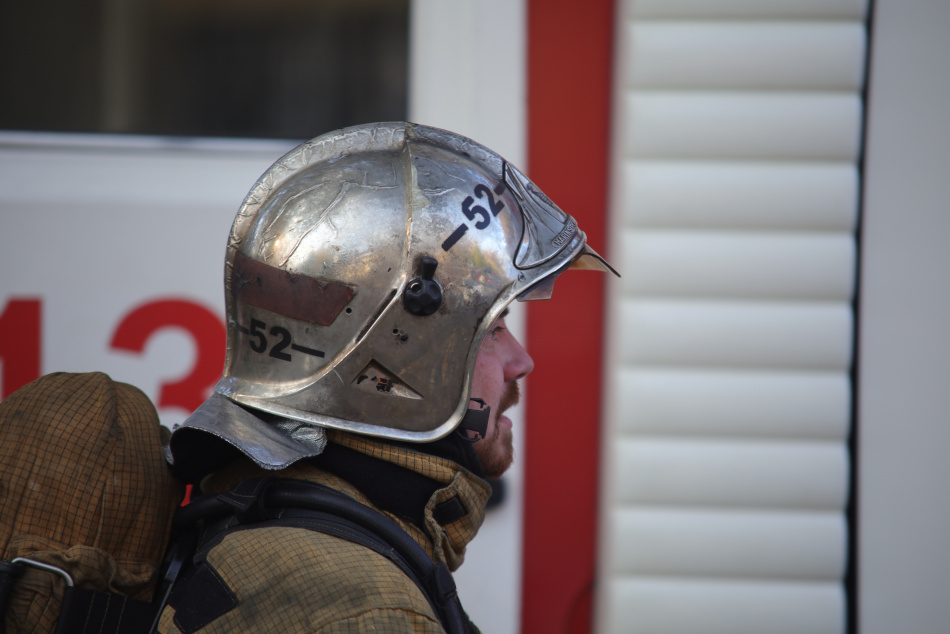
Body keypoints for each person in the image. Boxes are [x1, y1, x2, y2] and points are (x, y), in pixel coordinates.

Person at [156, 122, 617, 633]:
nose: (521, 361)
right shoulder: (365, 612)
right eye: (494, 328)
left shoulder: (257, 502)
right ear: (397, 353)